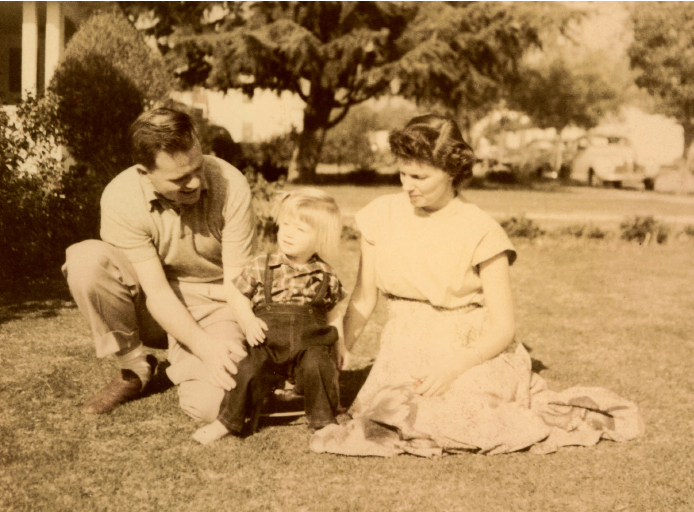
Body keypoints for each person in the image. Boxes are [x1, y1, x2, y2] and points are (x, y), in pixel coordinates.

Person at [310, 114, 645, 457]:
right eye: (403, 173)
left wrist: (453, 367)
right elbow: (365, 296)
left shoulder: (481, 230)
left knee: (451, 416)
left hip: (470, 350)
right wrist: (341, 344)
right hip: (405, 346)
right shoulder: (381, 215)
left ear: (452, 172)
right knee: (397, 414)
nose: (407, 185)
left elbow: (503, 327)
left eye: (420, 177)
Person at [62, 108, 255, 421]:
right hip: (152, 303)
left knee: (214, 406)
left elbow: (238, 285)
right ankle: (134, 367)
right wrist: (204, 348)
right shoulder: (121, 196)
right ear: (144, 172)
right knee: (85, 260)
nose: (195, 182)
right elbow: (158, 293)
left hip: (217, 304)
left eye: (198, 167)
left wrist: (238, 340)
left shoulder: (231, 184)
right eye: (180, 179)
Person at [193, 188, 347, 445]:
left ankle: (324, 421)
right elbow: (239, 294)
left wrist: (340, 345)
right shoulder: (261, 265)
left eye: (299, 229)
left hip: (309, 343)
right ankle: (226, 421)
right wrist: (248, 320)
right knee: (247, 369)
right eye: (285, 225)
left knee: (319, 365)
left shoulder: (325, 274)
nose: (288, 233)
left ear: (320, 238)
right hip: (267, 340)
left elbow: (334, 311)